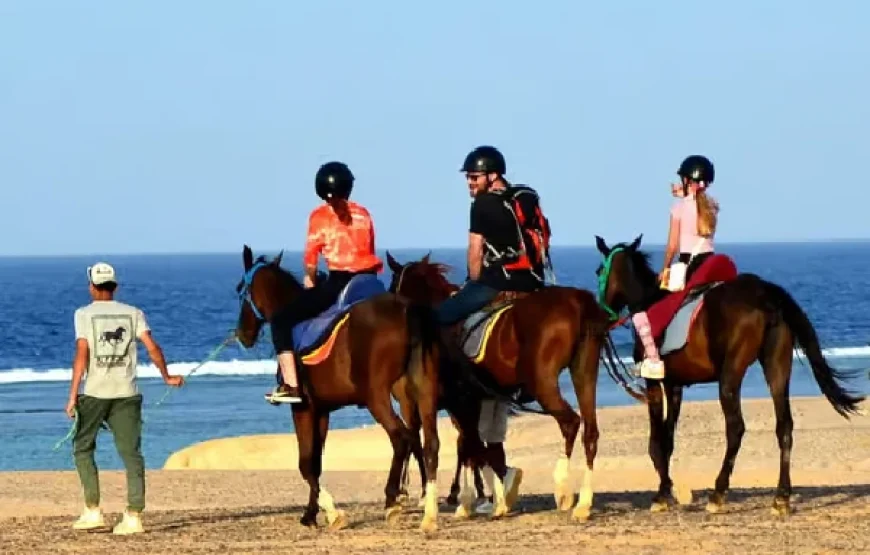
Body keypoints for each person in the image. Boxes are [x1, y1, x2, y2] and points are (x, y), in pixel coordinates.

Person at [435, 145, 547, 513]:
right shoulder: (523, 198)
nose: (470, 182)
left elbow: (475, 250)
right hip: (533, 282)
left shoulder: (481, 205)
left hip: (496, 281)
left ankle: (449, 383)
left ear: (491, 175)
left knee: (438, 319)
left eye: (474, 176)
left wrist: (472, 283)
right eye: (469, 177)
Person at [67, 262, 184, 534]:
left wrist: (73, 395)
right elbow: (153, 347)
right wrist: (167, 376)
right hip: (127, 393)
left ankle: (93, 510)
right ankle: (133, 515)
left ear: (92, 287)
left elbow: (81, 354)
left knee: (83, 448)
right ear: (115, 286)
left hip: (95, 392)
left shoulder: (84, 314)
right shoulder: (134, 313)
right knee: (131, 454)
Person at [265, 161, 383, 404]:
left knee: (280, 321)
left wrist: (309, 283)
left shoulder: (319, 217)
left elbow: (310, 261)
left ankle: (291, 386)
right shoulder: (364, 214)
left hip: (339, 282)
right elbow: (369, 249)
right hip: (370, 282)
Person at [632, 154, 720, 379]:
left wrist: (665, 268)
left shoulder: (678, 208)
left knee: (650, 310)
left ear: (687, 180)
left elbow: (672, 245)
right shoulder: (712, 205)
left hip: (688, 266)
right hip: (711, 263)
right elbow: (696, 202)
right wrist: (685, 194)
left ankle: (653, 361)